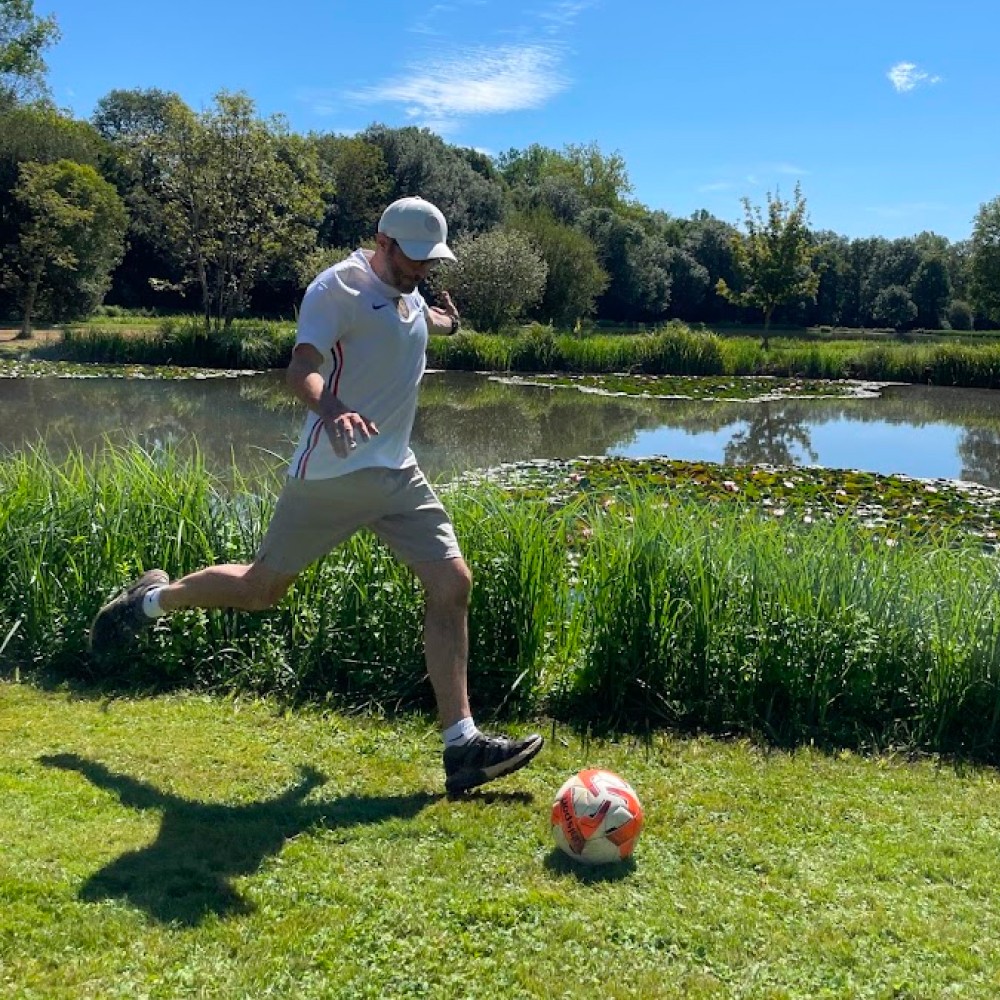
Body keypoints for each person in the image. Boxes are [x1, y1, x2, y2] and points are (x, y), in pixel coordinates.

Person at [89, 196, 544, 795]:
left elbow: (414, 315)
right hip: (331, 474)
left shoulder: (410, 289)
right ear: (382, 242)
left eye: (429, 263)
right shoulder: (334, 290)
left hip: (397, 473)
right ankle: (150, 602)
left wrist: (449, 322)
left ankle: (461, 747)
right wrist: (330, 406)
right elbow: (301, 365)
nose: (422, 272)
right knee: (259, 589)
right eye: (413, 260)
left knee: (453, 582)